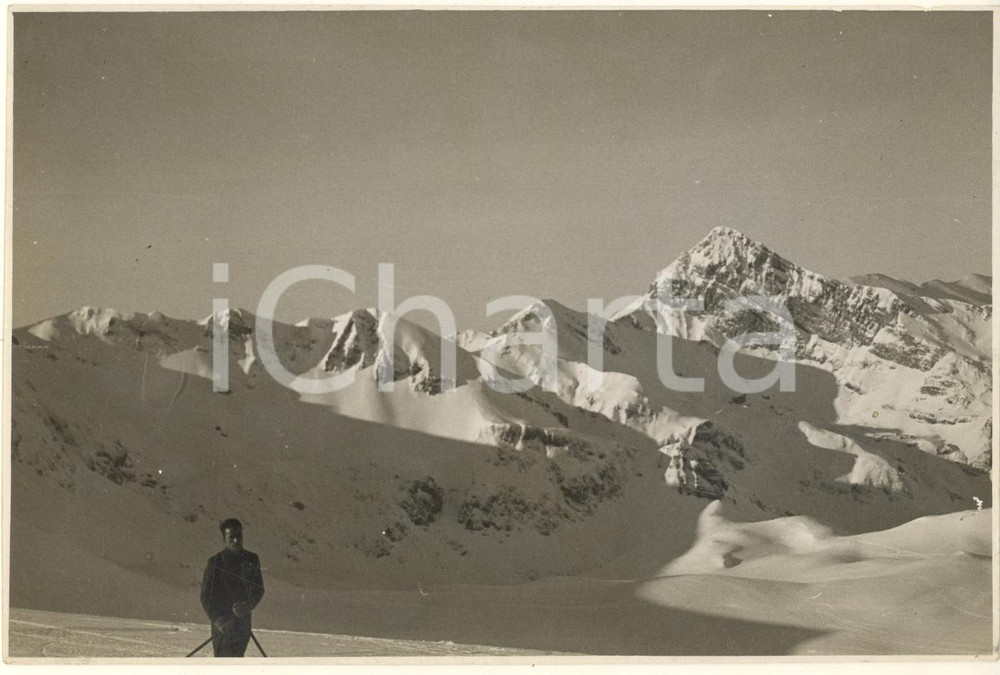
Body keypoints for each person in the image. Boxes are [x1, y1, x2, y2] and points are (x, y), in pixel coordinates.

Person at [199, 518, 265, 657]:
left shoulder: (251, 559)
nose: (236, 540)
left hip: (243, 624)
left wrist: (248, 605)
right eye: (231, 537)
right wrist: (218, 619)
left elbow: (258, 589)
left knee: (237, 660)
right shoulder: (215, 562)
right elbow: (206, 596)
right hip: (223, 626)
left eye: (239, 536)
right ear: (224, 539)